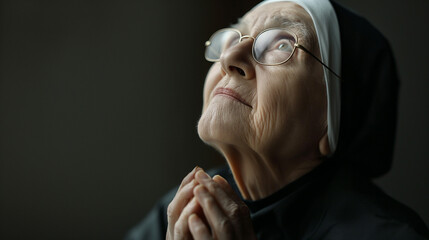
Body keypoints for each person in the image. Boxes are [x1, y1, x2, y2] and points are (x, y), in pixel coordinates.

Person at [125, 0, 429, 239]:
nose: (231, 58)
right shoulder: (182, 209)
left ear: (333, 118)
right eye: (233, 38)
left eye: (282, 44)